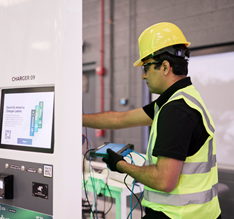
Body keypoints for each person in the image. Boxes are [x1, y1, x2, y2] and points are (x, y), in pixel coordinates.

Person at [82, 22, 221, 219]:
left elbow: (164, 181)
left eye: (146, 67)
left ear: (165, 67)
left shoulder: (176, 111)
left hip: (177, 215)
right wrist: (76, 119)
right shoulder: (176, 101)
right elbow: (120, 118)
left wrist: (120, 164)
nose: (143, 75)